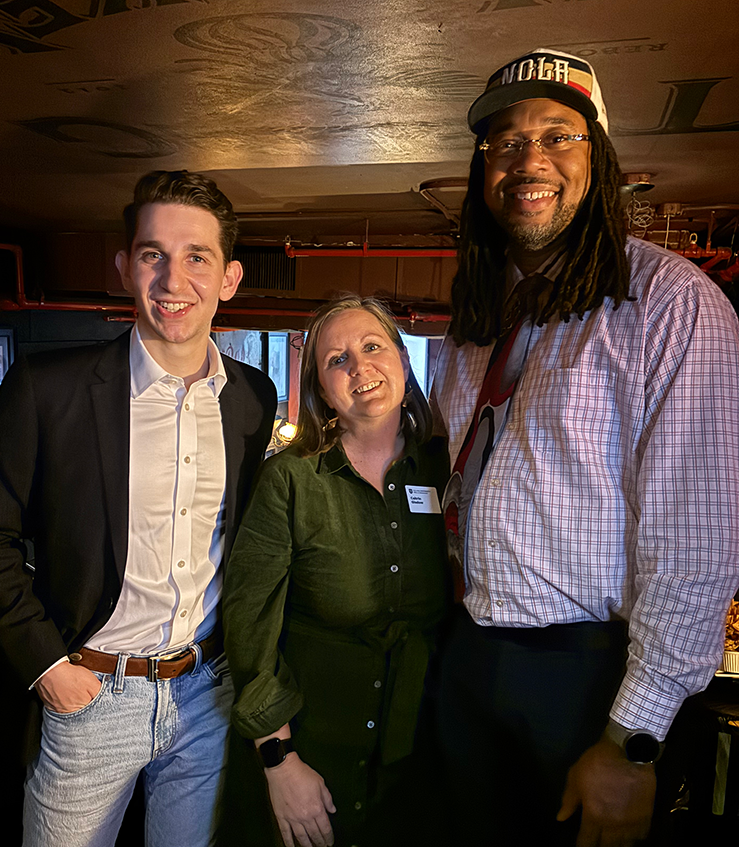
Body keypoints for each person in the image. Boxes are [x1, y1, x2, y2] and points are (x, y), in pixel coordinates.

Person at [431, 48, 739, 846]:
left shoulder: (672, 304)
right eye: (505, 141)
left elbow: (695, 544)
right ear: (482, 165)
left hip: (588, 678)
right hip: (465, 659)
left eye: (558, 135)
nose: (529, 159)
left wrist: (631, 744)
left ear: (598, 158)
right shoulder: (473, 315)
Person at [0, 170, 277, 847]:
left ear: (230, 278)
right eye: (152, 253)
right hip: (93, 694)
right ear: (123, 266)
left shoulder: (253, 396)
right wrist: (49, 668)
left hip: (206, 691)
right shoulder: (49, 389)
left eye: (197, 256)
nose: (171, 278)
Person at [223, 296, 450, 847]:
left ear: (401, 357)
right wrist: (279, 759)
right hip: (310, 760)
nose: (359, 367)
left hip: (414, 764)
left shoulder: (445, 466)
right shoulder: (291, 479)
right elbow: (248, 623)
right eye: (336, 360)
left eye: (372, 347)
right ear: (322, 390)